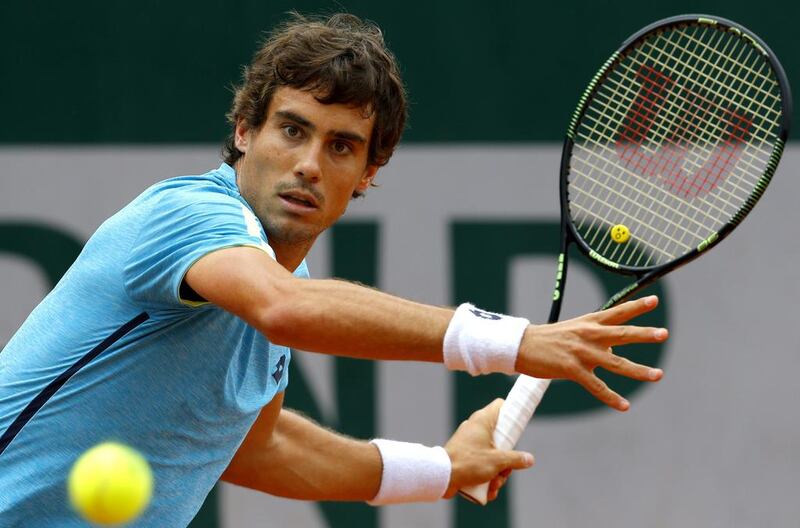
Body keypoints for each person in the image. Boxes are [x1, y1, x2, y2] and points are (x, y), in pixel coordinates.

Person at [0, 12, 667, 526]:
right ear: (242, 132)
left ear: (368, 176)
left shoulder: (277, 287)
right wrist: (514, 342)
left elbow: (260, 448)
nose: (310, 163)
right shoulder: (189, 215)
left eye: (341, 146)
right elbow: (285, 307)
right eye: (291, 130)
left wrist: (441, 468)